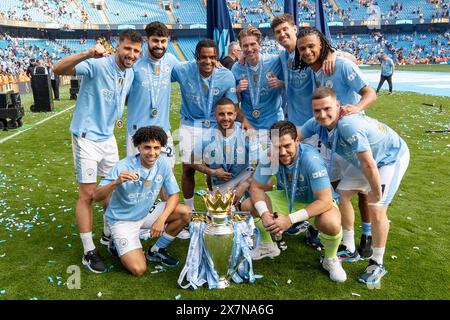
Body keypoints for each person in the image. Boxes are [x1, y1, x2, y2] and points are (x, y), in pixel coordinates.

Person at [53, 29, 142, 273]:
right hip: (86, 137)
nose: (131, 54)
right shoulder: (96, 64)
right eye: (127, 48)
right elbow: (57, 70)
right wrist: (85, 54)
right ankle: (89, 251)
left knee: (112, 189)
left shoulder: (131, 74)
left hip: (108, 137)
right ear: (117, 46)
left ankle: (107, 235)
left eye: (136, 51)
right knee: (88, 194)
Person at [300, 87, 409, 284]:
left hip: (389, 158)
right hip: (364, 162)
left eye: (327, 109)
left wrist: (376, 192)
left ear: (338, 106)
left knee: (376, 209)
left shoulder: (348, 125)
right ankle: (349, 246)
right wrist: (271, 146)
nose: (322, 114)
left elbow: (369, 164)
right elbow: (295, 134)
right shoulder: (317, 123)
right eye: (317, 110)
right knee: (342, 195)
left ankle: (377, 262)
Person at [270, 14, 355, 243]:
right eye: (278, 32)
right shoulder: (282, 56)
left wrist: (336, 53)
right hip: (296, 126)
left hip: (316, 124)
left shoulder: (312, 52)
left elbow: (346, 57)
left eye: (286, 30)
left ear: (294, 29)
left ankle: (322, 226)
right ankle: (299, 221)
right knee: (296, 175)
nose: (282, 35)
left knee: (322, 176)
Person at [296, 27, 377, 260]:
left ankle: (366, 237)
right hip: (331, 138)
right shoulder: (318, 72)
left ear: (322, 45)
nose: (308, 51)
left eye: (312, 46)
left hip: (352, 134)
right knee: (338, 189)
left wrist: (355, 109)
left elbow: (369, 93)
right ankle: (341, 236)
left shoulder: (339, 64)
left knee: (360, 191)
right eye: (303, 49)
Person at [242, 120, 346, 283]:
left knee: (331, 223)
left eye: (287, 145)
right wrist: (265, 214)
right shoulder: (270, 156)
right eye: (277, 147)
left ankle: (330, 259)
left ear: (297, 141)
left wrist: (290, 219)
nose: (282, 152)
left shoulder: (311, 159)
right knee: (248, 205)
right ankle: (267, 245)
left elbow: (325, 201)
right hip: (288, 197)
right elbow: (256, 187)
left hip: (315, 202)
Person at [93, 126, 191, 276]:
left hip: (145, 213)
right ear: (138, 147)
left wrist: (161, 219)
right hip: (122, 220)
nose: (152, 153)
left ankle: (156, 250)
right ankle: (115, 242)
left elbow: (174, 195)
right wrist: (116, 182)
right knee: (138, 269)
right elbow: (96, 196)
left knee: (185, 212)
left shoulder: (162, 164)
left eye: (156, 148)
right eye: (147, 148)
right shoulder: (123, 166)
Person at [171, 39, 249, 212]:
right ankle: (189, 210)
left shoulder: (225, 75)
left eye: (212, 57)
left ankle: (214, 205)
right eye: (203, 57)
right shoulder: (182, 69)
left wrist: (244, 121)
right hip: (190, 123)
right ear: (196, 57)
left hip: (215, 124)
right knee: (188, 167)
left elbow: (232, 105)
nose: (208, 61)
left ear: (217, 58)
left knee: (213, 167)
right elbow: (160, 70)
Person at [126, 22, 178, 165]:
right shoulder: (134, 63)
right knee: (138, 178)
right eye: (155, 40)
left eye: (163, 41)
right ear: (146, 40)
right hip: (137, 131)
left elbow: (190, 73)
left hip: (163, 130)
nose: (159, 46)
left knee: (168, 174)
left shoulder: (171, 61)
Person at [191, 97, 259, 206]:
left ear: (235, 115)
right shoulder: (206, 137)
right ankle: (233, 206)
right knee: (221, 217)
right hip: (222, 183)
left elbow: (262, 164)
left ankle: (246, 206)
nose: (226, 118)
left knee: (263, 185)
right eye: (222, 114)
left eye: (230, 114)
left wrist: (244, 185)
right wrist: (212, 172)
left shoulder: (246, 133)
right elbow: (192, 161)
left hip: (244, 175)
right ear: (215, 115)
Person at [232, 26, 285, 132]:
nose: (249, 49)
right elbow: (234, 100)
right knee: (252, 149)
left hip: (274, 123)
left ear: (259, 44)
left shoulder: (275, 61)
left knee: (275, 149)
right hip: (249, 124)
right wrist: (237, 90)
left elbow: (291, 86)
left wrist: (281, 84)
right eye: (245, 46)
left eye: (253, 44)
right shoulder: (237, 68)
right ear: (241, 47)